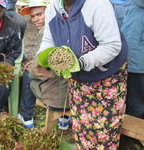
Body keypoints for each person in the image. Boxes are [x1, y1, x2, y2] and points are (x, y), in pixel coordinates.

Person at [37, 0, 128, 149]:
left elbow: (111, 45)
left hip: (107, 77)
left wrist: (81, 63)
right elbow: (49, 39)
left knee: (103, 130)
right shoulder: (53, 8)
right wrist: (45, 56)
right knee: (81, 124)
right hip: (78, 77)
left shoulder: (97, 5)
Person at [16, 0, 69, 129]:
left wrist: (32, 66)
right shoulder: (64, 25)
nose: (35, 19)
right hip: (68, 84)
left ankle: (26, 116)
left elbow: (42, 68)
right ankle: (64, 118)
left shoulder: (47, 31)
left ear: (50, 11)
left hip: (56, 89)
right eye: (33, 16)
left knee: (28, 75)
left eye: (39, 14)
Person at [119, 0, 144, 149]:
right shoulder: (131, 5)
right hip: (131, 62)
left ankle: (132, 139)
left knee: (135, 105)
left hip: (135, 64)